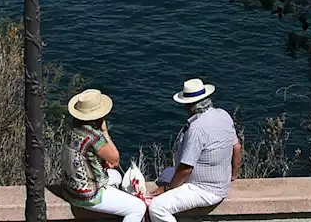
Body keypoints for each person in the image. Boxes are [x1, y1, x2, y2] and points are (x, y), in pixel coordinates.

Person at [148, 78, 241, 222]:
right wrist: (233, 175)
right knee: (167, 173)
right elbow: (237, 147)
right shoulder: (223, 114)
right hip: (221, 183)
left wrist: (167, 190)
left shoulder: (197, 128)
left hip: (205, 189)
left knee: (157, 207)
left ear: (189, 106)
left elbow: (186, 169)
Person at [61, 89, 145, 222]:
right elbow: (115, 159)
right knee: (138, 208)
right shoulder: (94, 137)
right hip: (88, 195)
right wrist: (104, 131)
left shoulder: (71, 129)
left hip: (70, 188)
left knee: (116, 177)